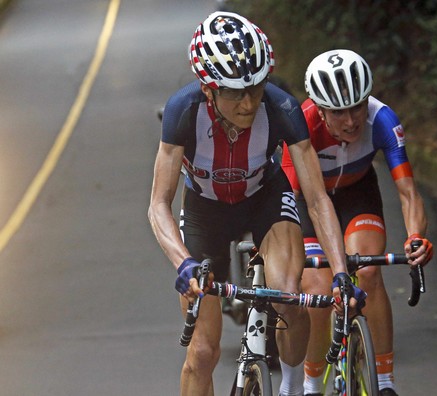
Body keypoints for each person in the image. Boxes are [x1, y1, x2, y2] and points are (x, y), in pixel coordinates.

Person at [148, 13, 363, 396]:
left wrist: (341, 271)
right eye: (234, 92)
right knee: (201, 352)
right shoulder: (183, 111)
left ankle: (292, 388)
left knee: (288, 295)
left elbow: (315, 198)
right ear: (209, 88)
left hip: (265, 199)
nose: (248, 103)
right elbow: (158, 205)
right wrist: (184, 263)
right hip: (204, 211)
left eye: (256, 88)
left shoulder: (281, 108)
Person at [281, 49, 434, 396]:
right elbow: (287, 200)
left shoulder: (382, 119)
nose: (351, 121)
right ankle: (310, 384)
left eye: (357, 107)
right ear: (320, 108)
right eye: (338, 112)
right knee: (318, 290)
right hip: (309, 202)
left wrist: (415, 238)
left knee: (367, 270)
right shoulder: (300, 123)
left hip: (356, 195)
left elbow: (408, 192)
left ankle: (384, 382)